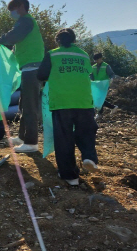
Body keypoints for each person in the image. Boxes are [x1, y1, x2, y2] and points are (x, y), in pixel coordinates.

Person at [37, 28, 99, 186]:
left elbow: (41, 75)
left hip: (62, 102)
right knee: (86, 132)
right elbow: (88, 74)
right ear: (74, 39)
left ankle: (70, 176)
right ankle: (89, 157)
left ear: (58, 40)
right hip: (84, 101)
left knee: (64, 139)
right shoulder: (83, 55)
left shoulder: (53, 54)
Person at [0, 0, 45, 153]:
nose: (11, 13)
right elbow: (19, 44)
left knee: (30, 106)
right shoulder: (25, 22)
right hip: (28, 68)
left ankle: (31, 143)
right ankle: (23, 137)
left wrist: (0, 40)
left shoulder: (26, 21)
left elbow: (15, 35)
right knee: (24, 104)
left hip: (33, 69)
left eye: (12, 9)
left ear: (21, 7)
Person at [90, 52, 118, 119]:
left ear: (101, 58)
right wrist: (90, 80)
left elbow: (111, 74)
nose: (96, 61)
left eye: (97, 59)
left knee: (100, 98)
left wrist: (111, 79)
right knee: (99, 99)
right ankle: (113, 107)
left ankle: (100, 114)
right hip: (96, 85)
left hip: (104, 85)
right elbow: (91, 75)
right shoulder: (93, 67)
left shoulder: (106, 66)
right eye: (95, 60)